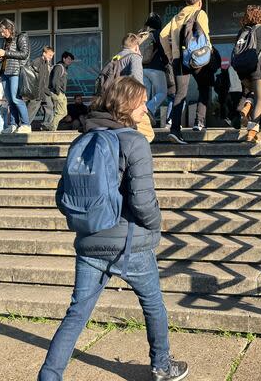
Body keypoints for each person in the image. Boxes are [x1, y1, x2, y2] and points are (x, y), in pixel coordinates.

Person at [38, 77, 188, 381]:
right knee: (154, 305)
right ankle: (161, 364)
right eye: (141, 103)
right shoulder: (135, 142)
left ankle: (49, 376)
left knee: (77, 313)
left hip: (89, 242)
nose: (146, 110)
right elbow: (144, 202)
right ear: (126, 105)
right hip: (130, 244)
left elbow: (62, 196)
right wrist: (157, 228)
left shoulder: (83, 140)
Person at [160, 0, 212, 143]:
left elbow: (163, 35)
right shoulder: (199, 13)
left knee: (180, 93)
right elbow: (206, 35)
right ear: (199, 2)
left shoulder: (177, 17)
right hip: (197, 58)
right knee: (204, 87)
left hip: (178, 59)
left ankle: (175, 130)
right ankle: (199, 122)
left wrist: (171, 54)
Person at [233, 6, 261, 144]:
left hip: (243, 71)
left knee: (252, 93)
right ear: (260, 17)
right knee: (260, 99)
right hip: (258, 69)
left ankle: (245, 110)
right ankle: (252, 132)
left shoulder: (242, 31)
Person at [0, 18, 31, 133]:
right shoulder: (5, 40)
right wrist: (1, 57)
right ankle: (13, 125)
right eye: (1, 32)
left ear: (9, 28)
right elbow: (7, 56)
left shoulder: (21, 36)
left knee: (16, 98)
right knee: (9, 100)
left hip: (16, 71)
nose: (2, 34)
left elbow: (25, 54)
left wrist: (5, 53)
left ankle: (26, 124)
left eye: (3, 31)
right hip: (5, 72)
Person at [141, 13, 170, 123]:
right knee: (162, 92)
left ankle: (142, 117)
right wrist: (167, 63)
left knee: (146, 94)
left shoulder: (143, 35)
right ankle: (149, 108)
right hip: (156, 68)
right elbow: (164, 52)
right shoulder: (158, 34)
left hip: (143, 68)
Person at [27, 46, 55, 130]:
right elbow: (32, 77)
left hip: (44, 90)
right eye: (50, 55)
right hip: (37, 91)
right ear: (44, 53)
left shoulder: (47, 63)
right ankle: (24, 124)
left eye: (52, 56)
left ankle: (46, 125)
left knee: (49, 106)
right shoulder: (37, 62)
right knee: (32, 108)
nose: (51, 57)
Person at [46, 51, 75, 131]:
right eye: (68, 59)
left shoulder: (64, 68)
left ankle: (52, 127)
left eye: (71, 60)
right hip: (57, 93)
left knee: (63, 112)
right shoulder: (59, 67)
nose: (70, 61)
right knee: (60, 112)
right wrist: (58, 92)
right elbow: (54, 81)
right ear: (64, 58)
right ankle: (52, 127)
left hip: (61, 93)